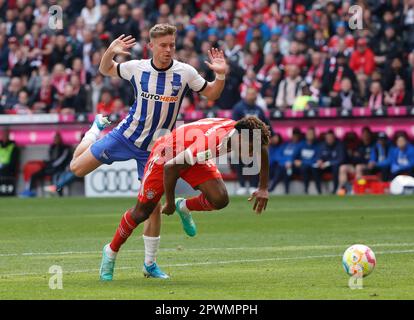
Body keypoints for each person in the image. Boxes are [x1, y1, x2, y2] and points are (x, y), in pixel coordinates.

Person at [68, 24, 228, 279]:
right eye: (163, 45)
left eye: (172, 45)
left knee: (151, 207)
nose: (168, 50)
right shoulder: (136, 68)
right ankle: (95, 130)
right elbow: (105, 69)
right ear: (151, 46)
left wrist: (220, 76)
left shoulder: (185, 72)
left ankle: (149, 264)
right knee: (76, 169)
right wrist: (111, 51)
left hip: (155, 149)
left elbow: (211, 95)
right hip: (125, 136)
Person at [99, 116, 270, 281]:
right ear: (240, 136)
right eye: (249, 148)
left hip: (192, 153)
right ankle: (111, 252)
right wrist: (170, 203)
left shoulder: (245, 133)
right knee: (142, 212)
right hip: (168, 154)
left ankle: (183, 209)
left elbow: (262, 148)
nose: (250, 153)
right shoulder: (211, 143)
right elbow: (170, 168)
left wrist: (263, 188)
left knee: (220, 199)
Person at [232, 86, 274, 195]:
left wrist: (271, 134)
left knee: (256, 161)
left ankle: (253, 185)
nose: (252, 96)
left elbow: (266, 123)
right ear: (245, 95)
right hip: (242, 139)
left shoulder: (259, 109)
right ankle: (242, 185)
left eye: (254, 94)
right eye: (250, 94)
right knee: (239, 161)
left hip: (256, 138)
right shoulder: (238, 108)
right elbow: (234, 124)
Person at [19, 132, 72, 197]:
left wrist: (51, 164)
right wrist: (47, 163)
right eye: (54, 138)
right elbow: (48, 158)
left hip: (59, 169)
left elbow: (61, 160)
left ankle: (58, 194)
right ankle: (30, 191)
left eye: (57, 138)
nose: (55, 139)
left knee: (57, 178)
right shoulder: (51, 147)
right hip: (49, 168)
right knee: (34, 175)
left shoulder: (65, 148)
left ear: (60, 138)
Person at [315, 130, 346, 194]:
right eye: (328, 138)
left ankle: (335, 189)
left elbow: (341, 159)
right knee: (315, 168)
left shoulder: (339, 145)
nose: (329, 139)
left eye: (331, 138)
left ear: (334, 138)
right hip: (324, 167)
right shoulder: (322, 145)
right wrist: (319, 161)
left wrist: (328, 163)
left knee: (336, 167)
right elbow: (318, 156)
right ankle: (319, 191)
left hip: (334, 166)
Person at [293, 127, 321, 194]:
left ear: (314, 135)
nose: (310, 135)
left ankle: (319, 190)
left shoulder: (318, 145)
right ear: (306, 135)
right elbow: (294, 156)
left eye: (312, 133)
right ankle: (305, 190)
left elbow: (318, 158)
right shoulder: (301, 144)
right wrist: (295, 161)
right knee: (304, 168)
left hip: (313, 166)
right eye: (309, 133)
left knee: (314, 168)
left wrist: (307, 162)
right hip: (303, 166)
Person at [0, 127, 19, 196]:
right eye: (3, 134)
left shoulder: (13, 146)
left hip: (8, 170)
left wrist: (3, 166)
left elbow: (14, 162)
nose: (4, 136)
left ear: (9, 135)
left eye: (6, 134)